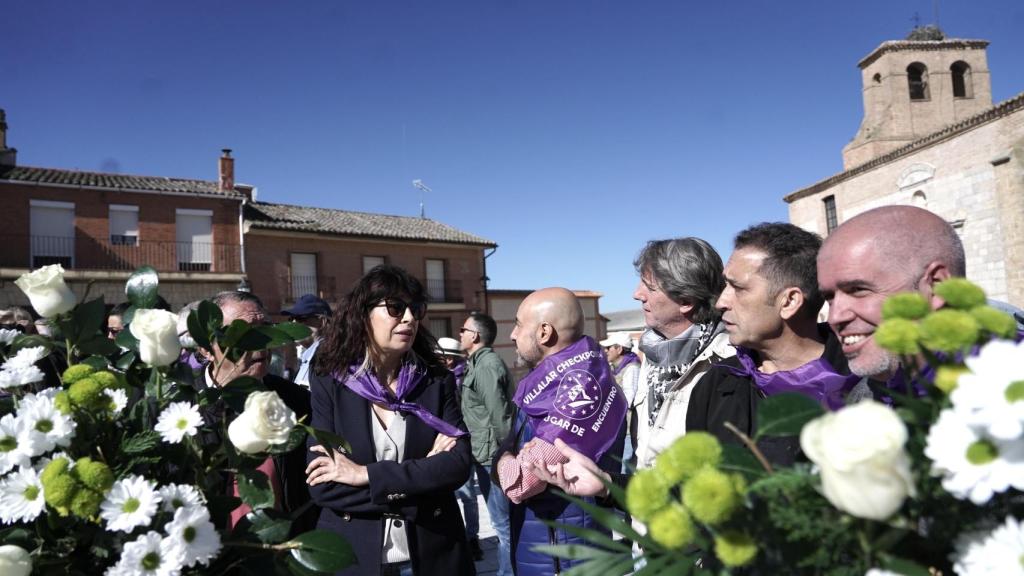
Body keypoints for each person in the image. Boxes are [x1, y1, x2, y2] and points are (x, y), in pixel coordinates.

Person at [305, 265, 475, 576]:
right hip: (355, 559)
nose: (410, 318)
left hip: (434, 554)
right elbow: (324, 487)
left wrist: (365, 475)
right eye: (396, 308)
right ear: (363, 314)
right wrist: (423, 478)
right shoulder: (330, 382)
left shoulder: (436, 381)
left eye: (416, 309)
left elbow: (458, 465)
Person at [687, 223, 859, 464]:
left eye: (738, 288)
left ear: (789, 301)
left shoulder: (863, 381)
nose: (721, 302)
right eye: (725, 285)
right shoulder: (715, 385)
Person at [494, 288, 625, 576]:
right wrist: (508, 454)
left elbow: (520, 482)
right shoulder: (561, 382)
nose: (513, 335)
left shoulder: (575, 394)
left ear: (544, 332)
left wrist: (503, 458)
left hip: (563, 558)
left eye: (518, 324)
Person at [193, 291, 315, 533]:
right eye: (243, 332)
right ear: (206, 348)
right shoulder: (180, 408)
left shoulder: (298, 402)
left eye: (265, 329)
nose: (259, 342)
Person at [817, 205, 966, 386]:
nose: (834, 318)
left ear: (936, 287)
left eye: (858, 289)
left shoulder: (1003, 394)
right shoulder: (857, 404)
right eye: (829, 297)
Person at [631, 238, 734, 471]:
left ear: (686, 301)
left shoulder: (729, 360)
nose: (637, 294)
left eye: (650, 287)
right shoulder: (652, 353)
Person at [457, 312, 513, 573]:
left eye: (463, 329)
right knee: (503, 523)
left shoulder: (487, 365)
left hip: (493, 455)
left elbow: (499, 414)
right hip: (485, 452)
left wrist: (505, 455)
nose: (460, 334)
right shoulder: (478, 363)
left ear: (474, 336)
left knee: (503, 526)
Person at [600, 331, 640, 470]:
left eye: (609, 347)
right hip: (617, 428)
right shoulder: (614, 368)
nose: (605, 351)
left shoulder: (632, 368)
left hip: (628, 430)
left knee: (624, 469)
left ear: (619, 349)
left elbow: (629, 399)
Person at [282, 294, 333, 387]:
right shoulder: (308, 356)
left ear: (322, 322)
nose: (293, 323)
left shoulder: (328, 358)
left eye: (300, 318)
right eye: (291, 319)